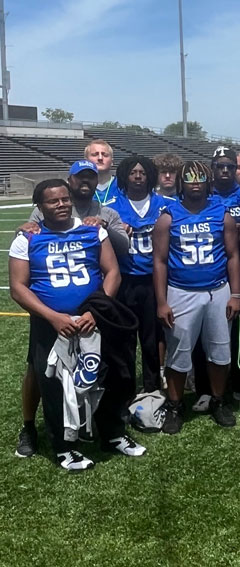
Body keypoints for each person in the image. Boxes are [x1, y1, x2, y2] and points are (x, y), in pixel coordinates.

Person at [10, 179, 144, 470]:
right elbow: (18, 287)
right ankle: (64, 447)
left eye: (64, 199)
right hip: (52, 322)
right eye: (52, 201)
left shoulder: (93, 229)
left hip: (93, 318)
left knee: (108, 377)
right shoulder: (28, 238)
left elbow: (113, 274)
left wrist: (97, 311)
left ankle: (113, 434)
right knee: (55, 385)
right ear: (40, 207)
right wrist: (52, 316)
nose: (60, 205)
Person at [153, 161, 240, 433]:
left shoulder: (222, 213)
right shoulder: (168, 216)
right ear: (182, 182)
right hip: (181, 291)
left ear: (207, 181)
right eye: (189, 178)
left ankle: (217, 400)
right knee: (178, 355)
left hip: (217, 289)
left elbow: (233, 255)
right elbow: (159, 261)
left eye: (200, 178)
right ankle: (176, 405)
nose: (195, 183)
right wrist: (162, 301)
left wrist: (235, 293)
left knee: (220, 352)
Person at [192, 147, 240, 410]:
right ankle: (205, 389)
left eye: (229, 166)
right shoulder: (201, 196)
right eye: (219, 166)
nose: (225, 171)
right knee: (203, 333)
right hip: (209, 276)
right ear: (211, 168)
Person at [109, 156, 171, 397]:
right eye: (133, 172)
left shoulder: (165, 204)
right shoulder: (113, 206)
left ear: (150, 176)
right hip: (124, 278)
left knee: (152, 336)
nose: (137, 176)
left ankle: (152, 386)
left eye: (142, 172)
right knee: (124, 337)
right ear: (124, 176)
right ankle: (125, 388)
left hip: (154, 279)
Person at [85, 139, 119, 207]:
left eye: (105, 155)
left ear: (112, 161)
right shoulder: (78, 188)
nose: (100, 158)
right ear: (86, 160)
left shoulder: (123, 186)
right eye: (95, 155)